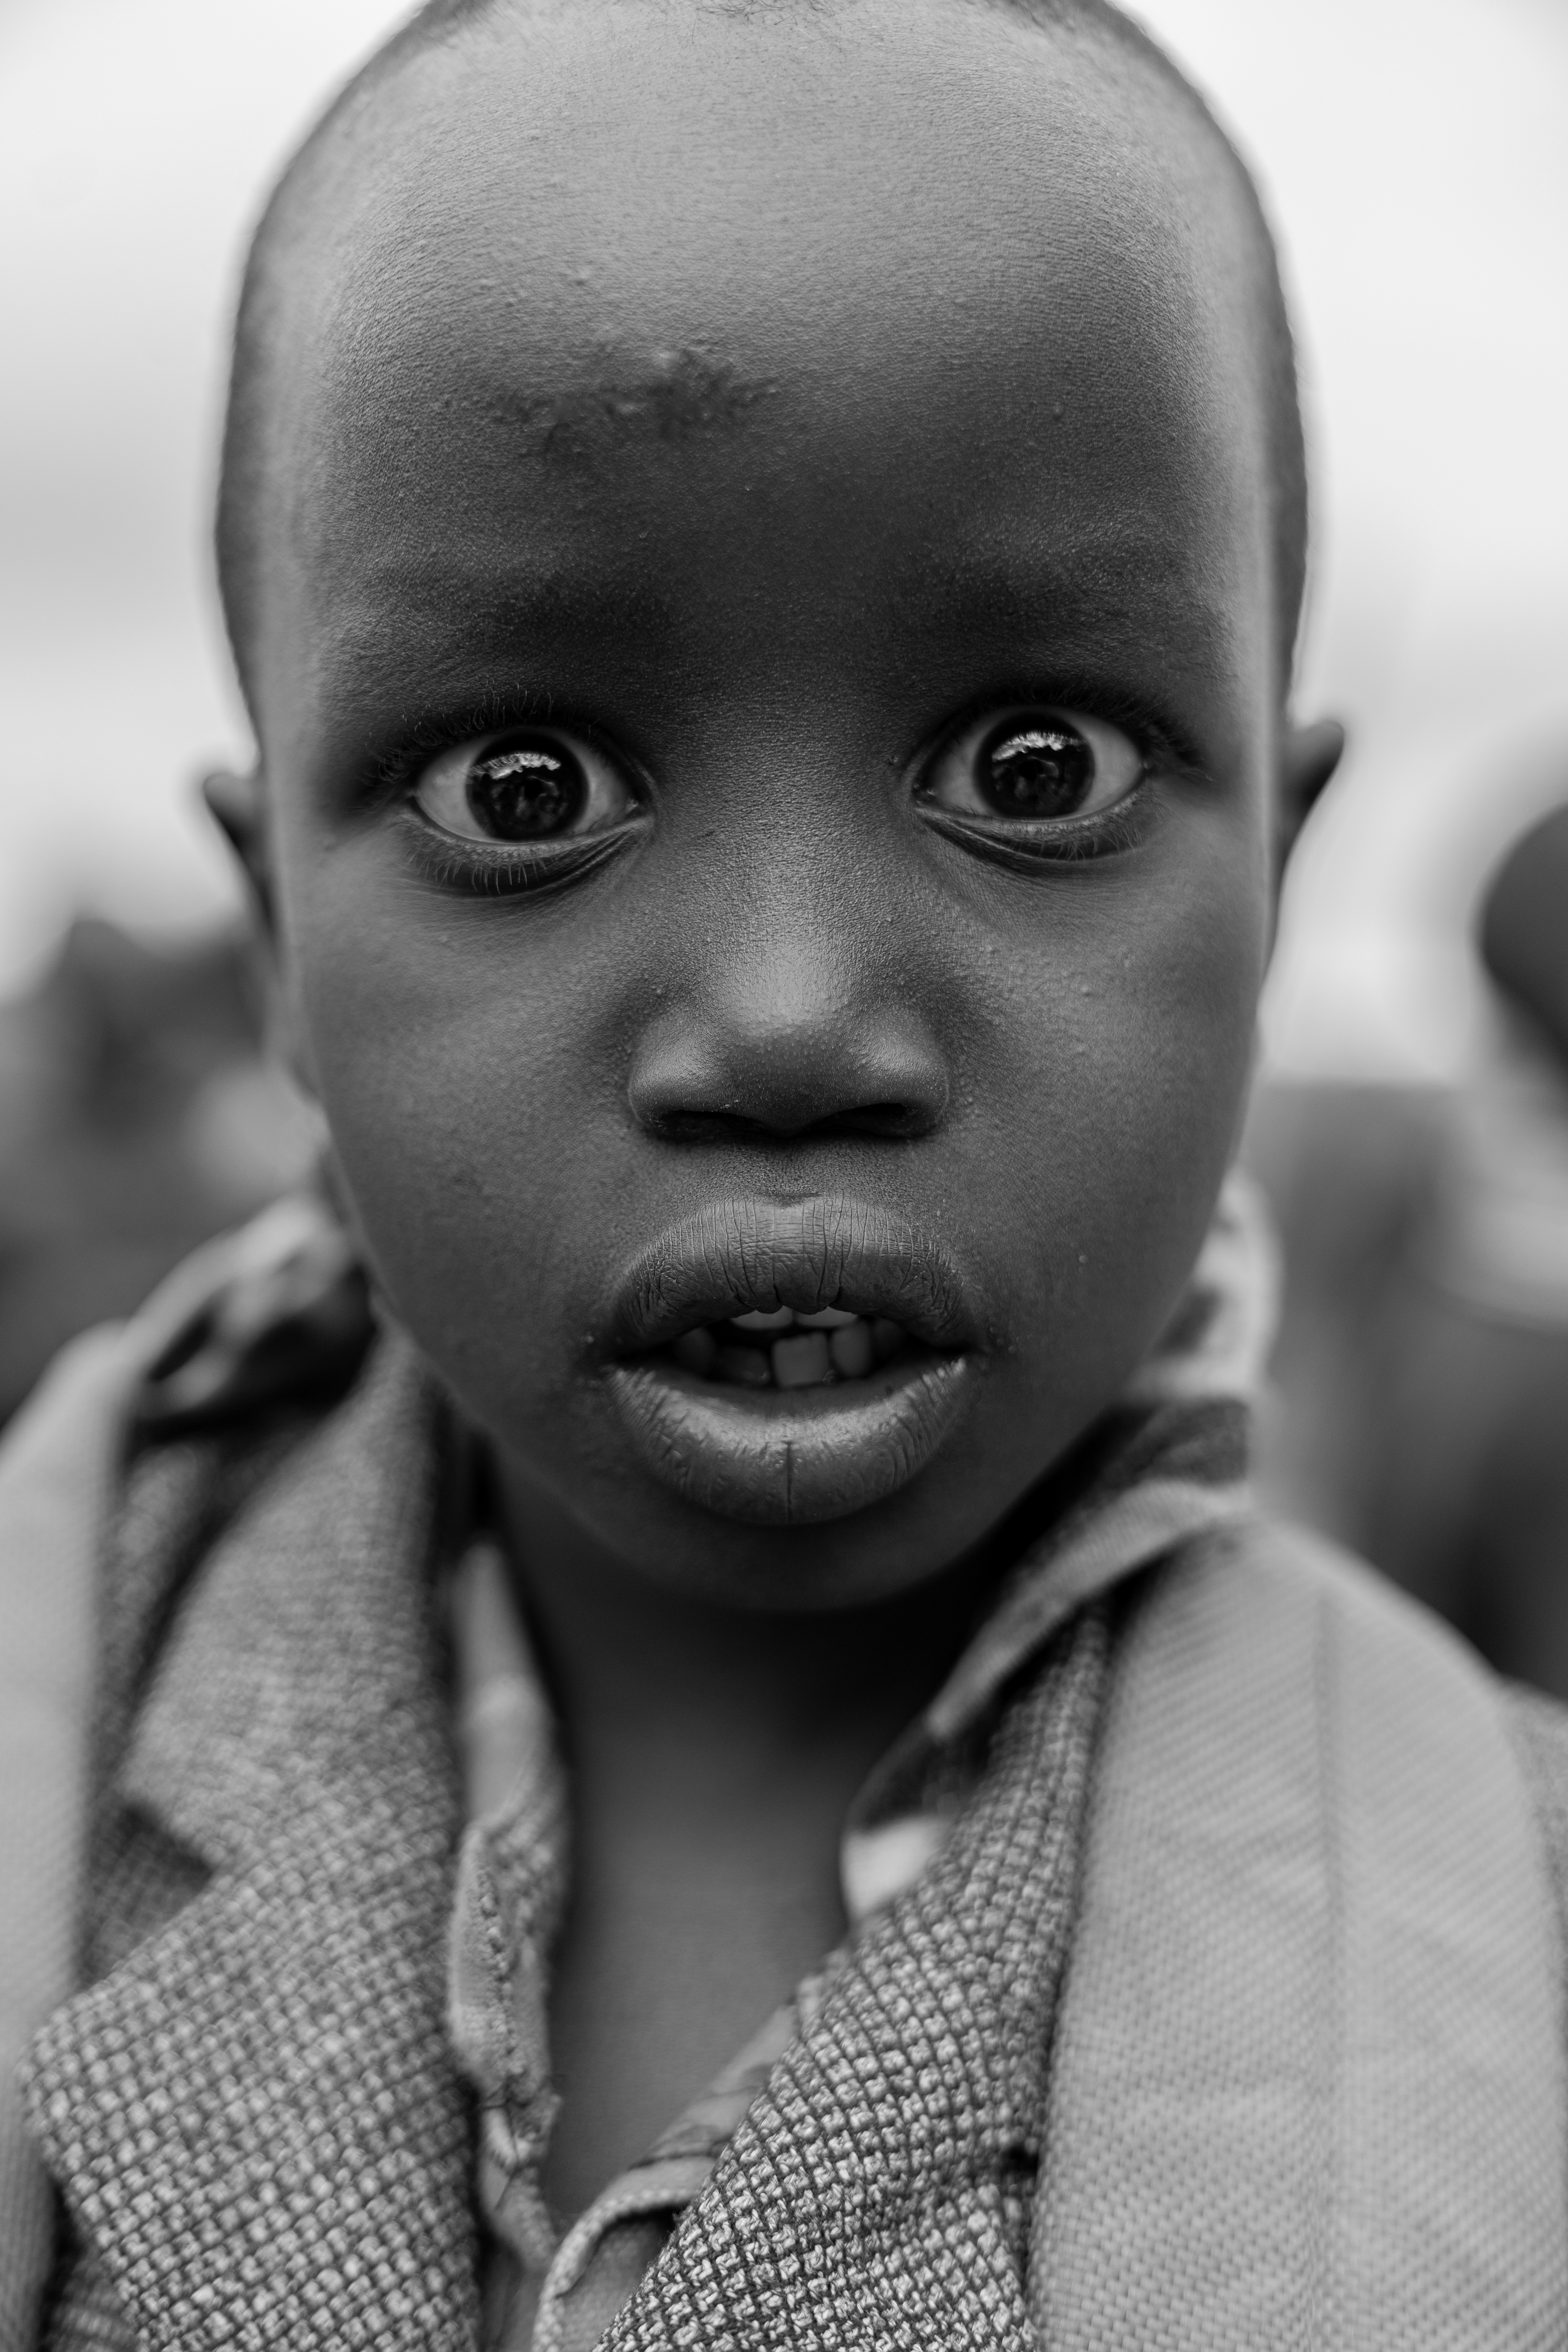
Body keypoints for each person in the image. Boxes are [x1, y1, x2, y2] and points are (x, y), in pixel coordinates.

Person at [3, 2, 1565, 2344]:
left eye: (1034, 767)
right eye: (524, 790)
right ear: (279, 958)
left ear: (1272, 889)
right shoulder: (60, 1757)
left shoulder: (1514, 1943)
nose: (791, 1017)